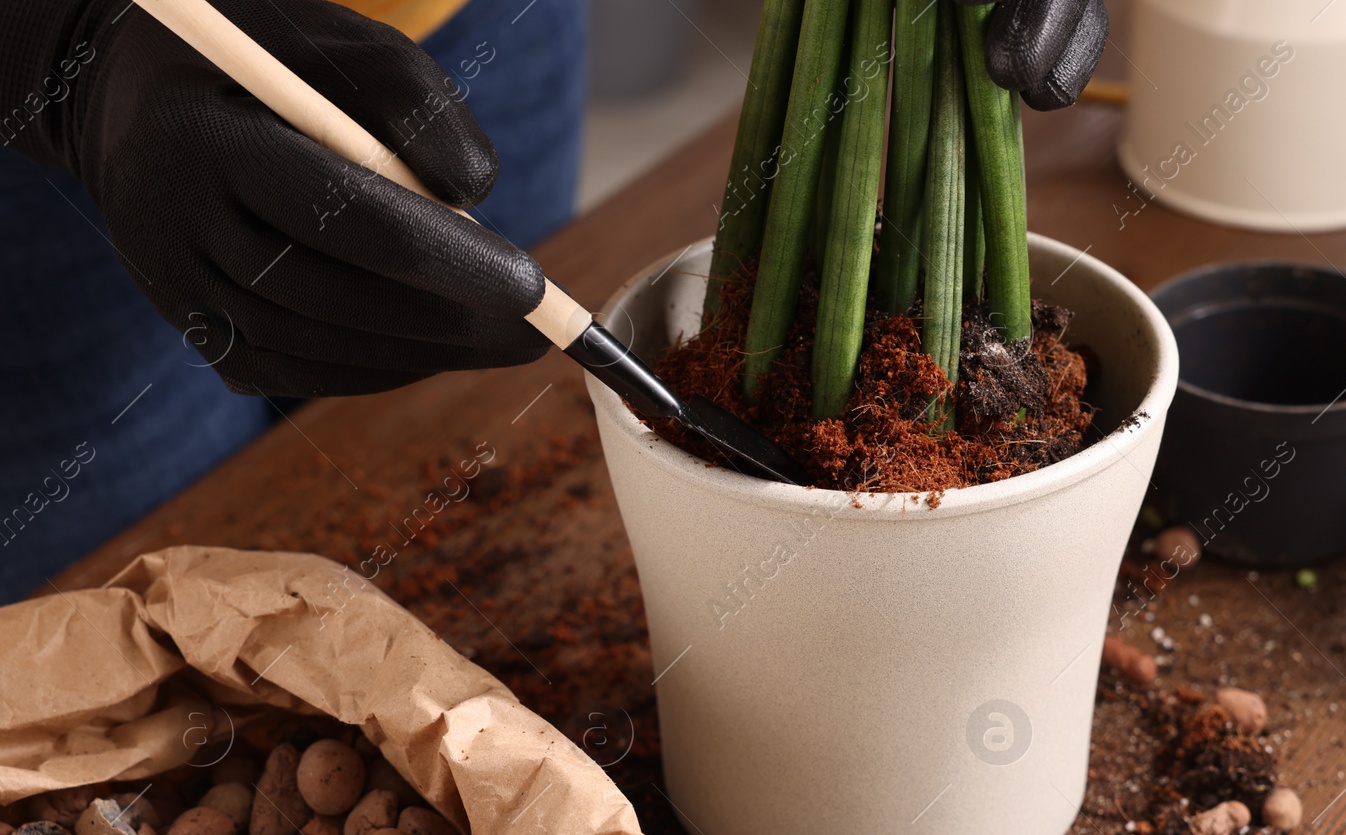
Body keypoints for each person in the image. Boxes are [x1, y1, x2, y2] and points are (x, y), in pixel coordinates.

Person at [0, 0, 1105, 604]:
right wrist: (65, 50)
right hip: (89, 109)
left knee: (430, 396)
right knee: (125, 595)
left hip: (477, 24)